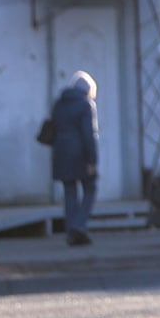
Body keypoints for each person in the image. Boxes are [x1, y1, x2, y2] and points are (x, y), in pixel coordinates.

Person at [50, 71, 100, 246]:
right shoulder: (86, 105)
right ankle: (78, 226)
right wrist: (92, 160)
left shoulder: (59, 103)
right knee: (90, 189)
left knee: (69, 192)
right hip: (80, 155)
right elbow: (88, 135)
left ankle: (72, 231)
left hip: (61, 154)